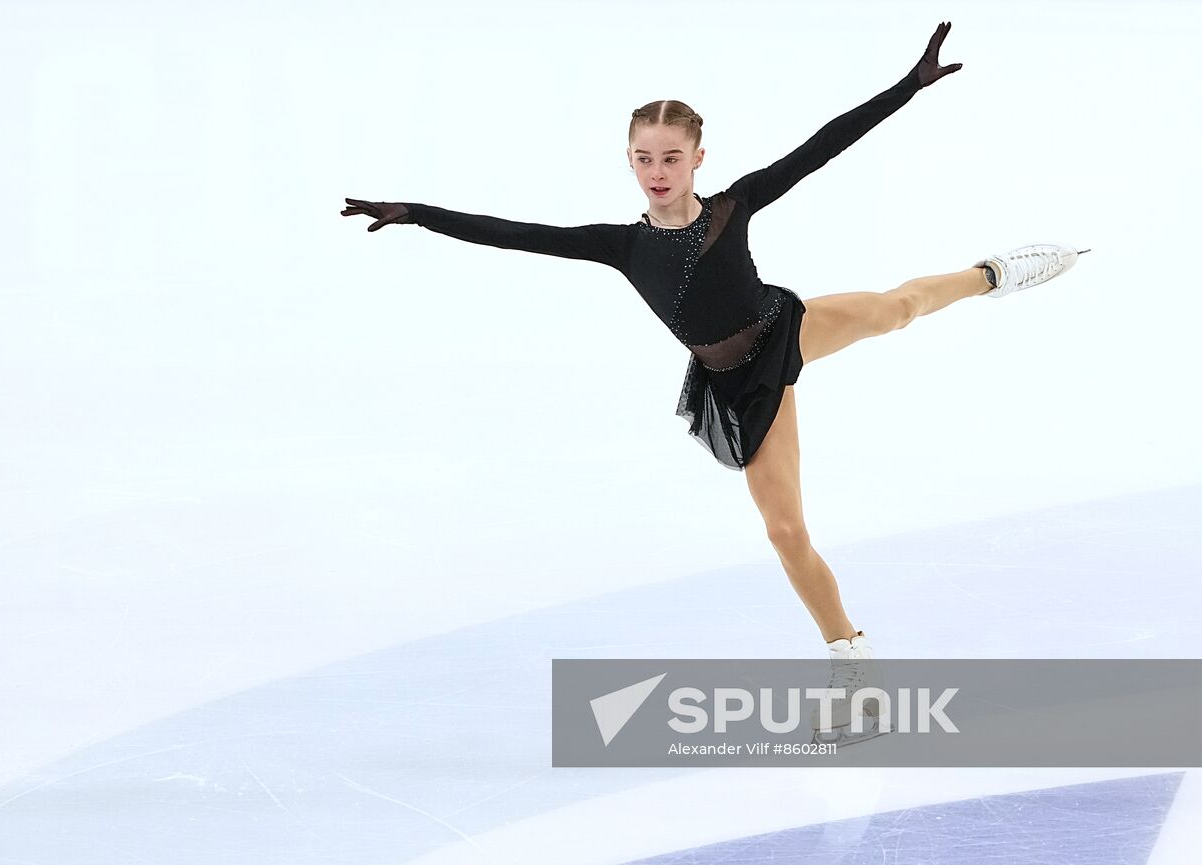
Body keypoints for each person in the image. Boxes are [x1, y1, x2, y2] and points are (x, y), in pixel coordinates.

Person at [341, 21, 1089, 743]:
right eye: (644, 158)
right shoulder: (620, 246)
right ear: (629, 161)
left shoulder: (734, 207)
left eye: (672, 157)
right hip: (733, 383)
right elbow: (513, 233)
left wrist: (908, 87)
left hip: (782, 330)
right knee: (786, 531)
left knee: (896, 308)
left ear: (698, 157)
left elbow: (822, 146)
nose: (658, 172)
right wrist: (416, 214)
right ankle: (857, 664)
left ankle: (995, 273)